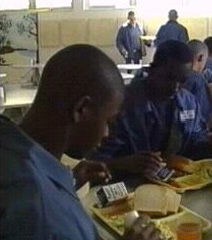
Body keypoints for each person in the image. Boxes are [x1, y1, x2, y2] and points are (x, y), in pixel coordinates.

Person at [0, 44, 162, 240]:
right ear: (81, 109)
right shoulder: (36, 208)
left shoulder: (10, 144)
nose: (107, 133)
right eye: (108, 121)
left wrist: (69, 181)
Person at [90, 40, 212, 167]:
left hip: (175, 185)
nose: (175, 87)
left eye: (182, 81)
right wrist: (125, 164)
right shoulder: (122, 105)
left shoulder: (189, 103)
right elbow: (95, 161)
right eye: (168, 78)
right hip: (127, 185)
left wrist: (211, 141)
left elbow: (196, 141)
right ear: (151, 70)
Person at [183, 40, 212, 127]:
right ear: (201, 57)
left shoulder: (177, 75)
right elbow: (211, 122)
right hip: (195, 136)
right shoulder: (198, 80)